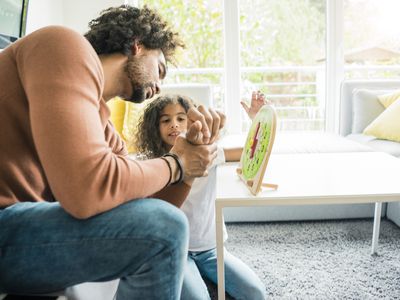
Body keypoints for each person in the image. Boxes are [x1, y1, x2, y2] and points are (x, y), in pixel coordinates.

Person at [0, 5, 225, 299]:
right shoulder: (63, 44)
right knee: (163, 230)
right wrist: (176, 163)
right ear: (137, 44)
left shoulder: (104, 130)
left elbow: (148, 211)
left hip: (25, 233)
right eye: (159, 69)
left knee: (164, 226)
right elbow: (88, 188)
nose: (159, 87)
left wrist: (190, 165)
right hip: (8, 225)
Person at [136, 91, 268, 299]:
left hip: (210, 248)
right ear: (155, 127)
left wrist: (258, 119)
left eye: (181, 119)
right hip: (177, 251)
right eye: (166, 120)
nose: (174, 125)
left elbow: (255, 150)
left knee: (256, 293)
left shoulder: (209, 153)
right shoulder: (151, 164)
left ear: (192, 122)